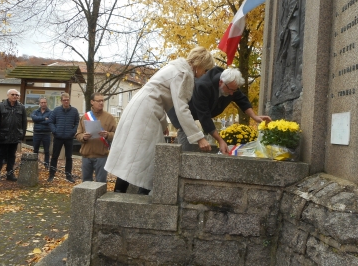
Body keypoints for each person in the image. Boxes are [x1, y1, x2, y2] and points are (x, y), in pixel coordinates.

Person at [105, 46, 214, 195]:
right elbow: (181, 108)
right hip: (146, 112)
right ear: (199, 65)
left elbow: (160, 100)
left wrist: (163, 124)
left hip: (141, 108)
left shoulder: (175, 68)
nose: (204, 75)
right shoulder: (182, 73)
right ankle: (139, 199)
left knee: (131, 155)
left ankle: (119, 195)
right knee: (150, 158)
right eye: (206, 70)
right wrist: (199, 137)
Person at [168, 67, 272, 155]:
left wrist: (254, 116)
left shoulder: (231, 84)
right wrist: (220, 140)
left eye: (234, 90)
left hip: (200, 111)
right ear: (221, 82)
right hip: (181, 110)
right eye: (230, 90)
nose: (232, 94)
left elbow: (242, 99)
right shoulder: (203, 86)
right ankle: (182, 159)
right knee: (185, 132)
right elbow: (204, 116)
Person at [75, 93, 116, 182]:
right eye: (98, 101)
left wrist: (107, 135)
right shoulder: (85, 117)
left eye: (102, 100)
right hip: (86, 155)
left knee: (101, 183)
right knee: (86, 183)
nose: (101, 103)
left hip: (101, 155)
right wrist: (84, 137)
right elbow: (78, 134)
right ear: (92, 102)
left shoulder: (109, 117)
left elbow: (116, 135)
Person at [0, 89, 27, 183]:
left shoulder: (21, 107)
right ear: (8, 95)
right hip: (3, 135)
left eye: (16, 95)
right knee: (0, 155)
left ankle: (10, 174)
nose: (15, 96)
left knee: (12, 156)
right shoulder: (0, 106)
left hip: (15, 135)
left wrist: (22, 135)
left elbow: (24, 122)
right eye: (13, 94)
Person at [47, 92, 79, 183]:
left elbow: (77, 123)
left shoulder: (74, 111)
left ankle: (68, 175)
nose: (66, 101)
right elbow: (51, 121)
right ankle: (51, 174)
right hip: (58, 136)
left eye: (67, 100)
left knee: (69, 157)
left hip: (69, 137)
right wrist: (55, 131)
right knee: (54, 156)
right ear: (61, 101)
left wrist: (73, 132)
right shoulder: (56, 110)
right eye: (64, 100)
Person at [31, 97, 51, 168]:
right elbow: (34, 118)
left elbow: (49, 121)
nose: (43, 104)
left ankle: (46, 164)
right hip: (37, 133)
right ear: (39, 103)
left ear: (46, 103)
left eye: (44, 102)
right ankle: (34, 164)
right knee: (35, 150)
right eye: (42, 102)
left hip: (46, 134)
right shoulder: (35, 111)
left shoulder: (50, 112)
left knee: (47, 151)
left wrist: (39, 120)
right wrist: (44, 118)